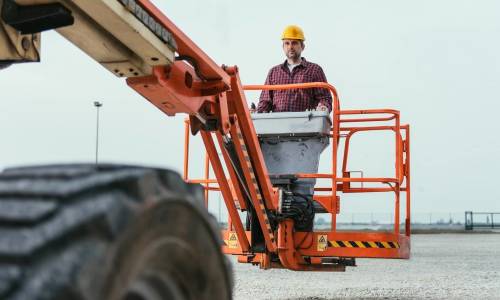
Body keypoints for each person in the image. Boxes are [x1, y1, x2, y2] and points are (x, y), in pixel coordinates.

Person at [255, 25, 332, 113]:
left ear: (302, 46)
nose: (290, 47)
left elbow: (324, 98)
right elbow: (265, 101)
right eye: (287, 43)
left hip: (306, 123)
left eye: (294, 43)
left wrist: (323, 107)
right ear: (283, 47)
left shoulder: (315, 70)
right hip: (278, 123)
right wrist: (260, 112)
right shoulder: (274, 72)